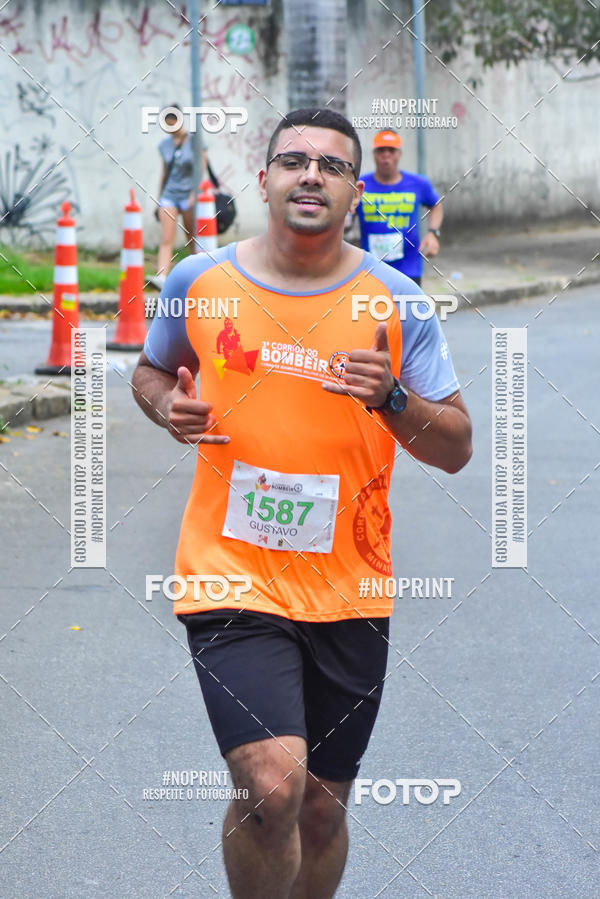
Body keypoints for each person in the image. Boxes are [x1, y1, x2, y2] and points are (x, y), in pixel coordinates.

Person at [132, 107, 472, 899]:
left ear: (356, 191)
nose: (311, 174)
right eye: (293, 161)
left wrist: (393, 398)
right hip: (230, 572)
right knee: (273, 784)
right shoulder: (197, 282)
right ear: (264, 180)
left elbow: (455, 445)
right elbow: (149, 372)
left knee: (320, 808)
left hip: (350, 583)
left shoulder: (398, 301)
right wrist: (166, 405)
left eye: (332, 165)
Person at [354, 130, 443, 287]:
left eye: (391, 150)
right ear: (374, 154)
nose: (386, 155)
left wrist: (432, 233)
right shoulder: (360, 185)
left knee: (407, 304)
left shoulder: (418, 183)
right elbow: (344, 211)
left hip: (409, 269)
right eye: (381, 150)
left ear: (399, 154)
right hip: (372, 270)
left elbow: (435, 205)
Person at [148, 104, 204, 290]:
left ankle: (197, 275)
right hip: (169, 195)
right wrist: (159, 198)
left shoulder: (195, 142)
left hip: (188, 195)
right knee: (167, 238)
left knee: (191, 238)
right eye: (167, 124)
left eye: (173, 122)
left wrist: (194, 194)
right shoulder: (164, 145)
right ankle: (162, 277)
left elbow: (200, 169)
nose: (170, 127)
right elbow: (165, 172)